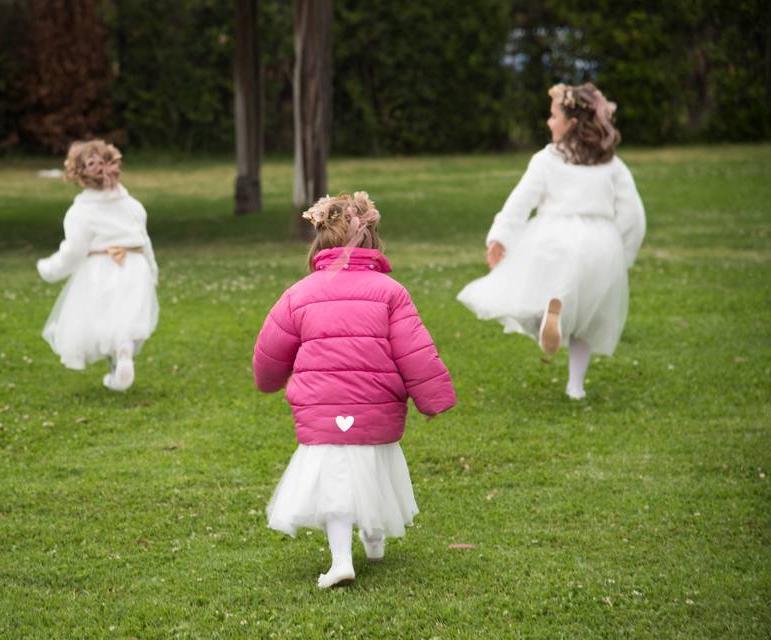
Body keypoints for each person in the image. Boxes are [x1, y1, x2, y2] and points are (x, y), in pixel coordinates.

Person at [253, 192, 457, 588]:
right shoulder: (390, 292)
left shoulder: (299, 293)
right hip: (375, 409)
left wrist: (269, 381)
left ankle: (341, 559)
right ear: (373, 240)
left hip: (322, 411)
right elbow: (414, 350)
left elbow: (270, 350)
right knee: (374, 470)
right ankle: (375, 541)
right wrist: (432, 400)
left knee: (336, 485)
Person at [457, 82, 646, 399]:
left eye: (552, 115)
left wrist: (500, 237)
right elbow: (633, 215)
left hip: (553, 238)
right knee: (589, 317)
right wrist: (622, 254)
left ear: (571, 123)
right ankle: (576, 386)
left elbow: (520, 202)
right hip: (600, 245)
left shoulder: (547, 159)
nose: (548, 122)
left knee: (526, 296)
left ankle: (546, 321)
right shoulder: (611, 164)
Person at [37, 140, 159, 391]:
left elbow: (73, 251)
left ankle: (117, 363)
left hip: (100, 269)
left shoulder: (81, 211)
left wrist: (49, 269)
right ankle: (123, 353)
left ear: (78, 175)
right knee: (127, 319)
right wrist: (152, 270)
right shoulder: (132, 204)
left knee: (103, 320)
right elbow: (144, 241)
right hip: (136, 267)